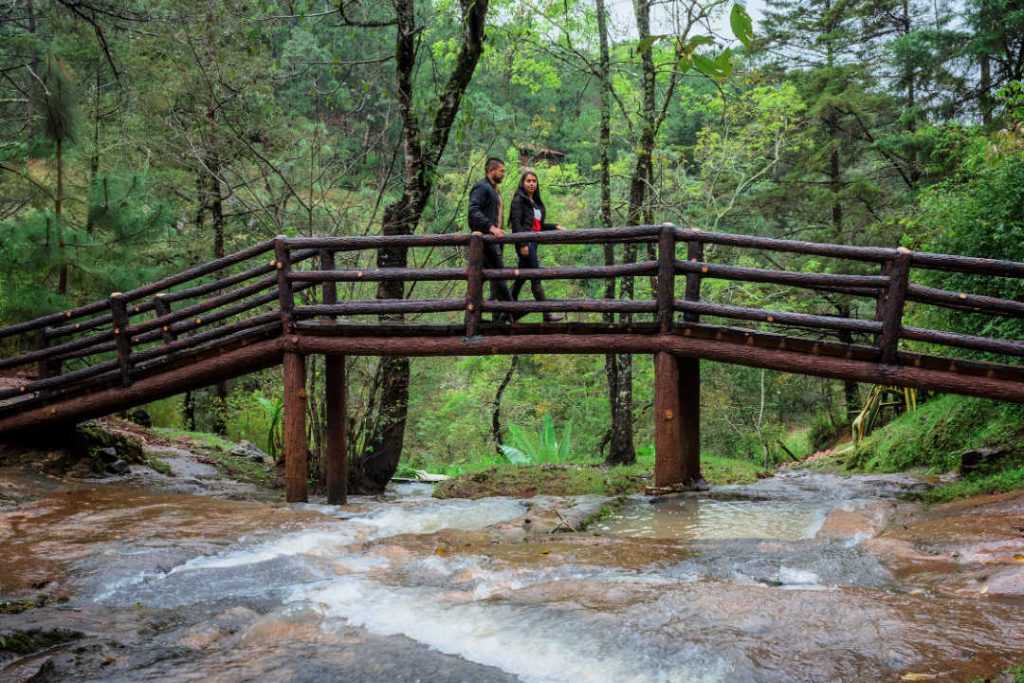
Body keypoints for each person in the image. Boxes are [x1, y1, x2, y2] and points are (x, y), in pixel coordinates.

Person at [508, 170, 566, 322]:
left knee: (521, 276)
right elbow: (516, 223)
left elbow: (538, 227)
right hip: (525, 243)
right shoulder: (519, 200)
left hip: (534, 243)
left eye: (534, 181)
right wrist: (522, 244)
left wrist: (555, 226)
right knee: (536, 275)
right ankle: (546, 313)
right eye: (529, 181)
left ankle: (506, 309)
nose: (532, 183)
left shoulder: (537, 203)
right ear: (523, 183)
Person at [467, 157, 514, 319]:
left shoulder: (494, 190)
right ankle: (514, 312)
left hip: (494, 241)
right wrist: (491, 227)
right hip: (484, 241)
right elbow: (473, 210)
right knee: (499, 275)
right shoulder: (482, 187)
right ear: (491, 170)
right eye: (501, 171)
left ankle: (483, 318)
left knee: (485, 278)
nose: (503, 174)